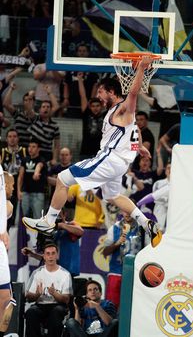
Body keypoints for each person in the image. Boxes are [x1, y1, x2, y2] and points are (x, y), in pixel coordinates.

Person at [22, 56, 162, 248]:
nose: (99, 96)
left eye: (101, 92)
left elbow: (133, 94)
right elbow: (132, 136)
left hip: (109, 159)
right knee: (112, 196)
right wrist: (141, 148)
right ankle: (146, 223)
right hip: (119, 164)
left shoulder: (122, 109)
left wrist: (141, 69)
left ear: (111, 92)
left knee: (63, 179)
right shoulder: (122, 116)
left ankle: (48, 222)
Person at [25, 243, 73, 337]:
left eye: (53, 253)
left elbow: (66, 299)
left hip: (57, 306)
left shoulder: (65, 274)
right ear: (44, 256)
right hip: (40, 306)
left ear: (57, 255)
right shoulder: (37, 273)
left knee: (56, 312)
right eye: (48, 253)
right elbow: (28, 297)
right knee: (31, 312)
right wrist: (37, 295)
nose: (50, 256)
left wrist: (55, 294)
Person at [103, 211, 143, 308]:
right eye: (125, 211)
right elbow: (105, 252)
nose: (127, 213)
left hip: (135, 273)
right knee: (111, 306)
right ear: (121, 211)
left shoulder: (142, 229)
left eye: (129, 210)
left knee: (132, 307)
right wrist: (117, 243)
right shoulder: (114, 228)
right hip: (116, 272)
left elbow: (148, 250)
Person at [0, 166, 15, 337]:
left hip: (1, 254)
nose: (13, 189)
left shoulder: (8, 205)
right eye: (10, 185)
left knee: (7, 300)